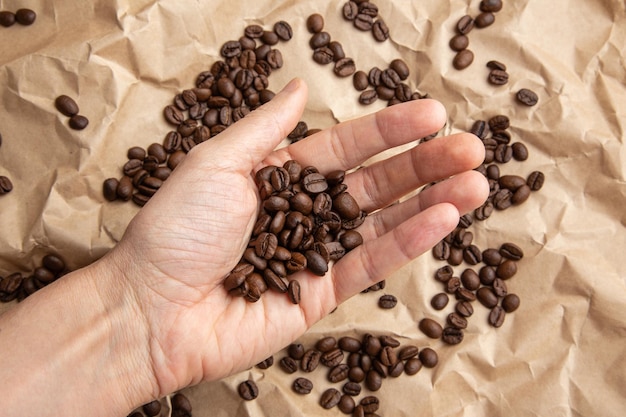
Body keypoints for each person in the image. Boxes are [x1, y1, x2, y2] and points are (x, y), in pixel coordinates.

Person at [0, 78, 488, 416]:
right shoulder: (280, 231)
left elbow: (298, 235)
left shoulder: (294, 229)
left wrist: (134, 317)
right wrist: (137, 310)